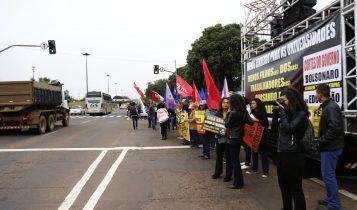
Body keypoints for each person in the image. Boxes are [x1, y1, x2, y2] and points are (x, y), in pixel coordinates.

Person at [272, 87, 308, 210]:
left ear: (292, 100)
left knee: (295, 189)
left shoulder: (301, 114)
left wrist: (281, 112)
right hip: (282, 153)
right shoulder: (285, 114)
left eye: (284, 100)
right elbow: (274, 131)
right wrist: (276, 114)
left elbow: (289, 128)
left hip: (294, 155)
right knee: (284, 187)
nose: (282, 103)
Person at [316, 84, 344, 210]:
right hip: (330, 147)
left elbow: (335, 128)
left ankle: (334, 205)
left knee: (328, 176)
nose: (316, 95)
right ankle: (330, 199)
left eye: (317, 93)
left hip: (331, 148)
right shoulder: (329, 106)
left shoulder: (330, 107)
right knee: (327, 175)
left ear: (321, 94)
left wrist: (321, 140)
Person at [225, 94, 247, 189]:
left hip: (233, 138)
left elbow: (227, 124)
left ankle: (238, 183)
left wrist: (227, 114)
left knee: (235, 161)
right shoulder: (244, 112)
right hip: (240, 137)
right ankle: (239, 182)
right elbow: (250, 122)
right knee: (236, 160)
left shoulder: (233, 113)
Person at [212, 97, 232, 182]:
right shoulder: (217, 113)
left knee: (228, 157)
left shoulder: (232, 113)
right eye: (224, 102)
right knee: (219, 156)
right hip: (220, 138)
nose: (225, 104)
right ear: (221, 104)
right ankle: (218, 172)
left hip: (229, 138)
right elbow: (214, 126)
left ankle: (228, 175)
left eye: (227, 102)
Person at [250, 98, 270, 177]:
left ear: (258, 104)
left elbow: (266, 124)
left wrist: (257, 120)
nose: (252, 105)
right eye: (251, 104)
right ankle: (255, 168)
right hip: (254, 135)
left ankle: (265, 171)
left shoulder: (262, 112)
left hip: (262, 136)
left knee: (263, 153)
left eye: (254, 103)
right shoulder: (252, 112)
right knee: (254, 151)